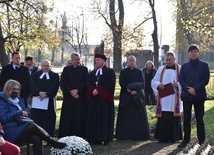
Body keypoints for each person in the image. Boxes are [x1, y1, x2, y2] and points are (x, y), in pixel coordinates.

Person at [0, 79, 66, 155]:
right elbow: (3, 118)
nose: (16, 91)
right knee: (32, 126)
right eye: (13, 89)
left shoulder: (19, 100)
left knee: (37, 138)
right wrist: (19, 112)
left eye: (18, 89)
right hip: (9, 129)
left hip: (20, 126)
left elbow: (23, 115)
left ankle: (50, 143)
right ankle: (52, 142)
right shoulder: (2, 101)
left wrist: (26, 114)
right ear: (7, 88)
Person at [178, 44, 210, 148]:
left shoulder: (204, 65)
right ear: (188, 53)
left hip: (199, 95)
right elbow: (181, 79)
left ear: (198, 52)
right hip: (187, 96)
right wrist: (188, 89)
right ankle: (186, 140)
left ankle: (202, 141)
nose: (193, 53)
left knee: (199, 119)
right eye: (191, 51)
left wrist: (195, 88)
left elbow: (205, 80)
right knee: (186, 119)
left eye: (195, 51)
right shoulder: (184, 66)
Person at [115, 55, 150, 140]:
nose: (131, 62)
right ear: (127, 62)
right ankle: (124, 135)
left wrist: (136, 91)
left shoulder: (139, 72)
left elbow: (142, 83)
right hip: (126, 96)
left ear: (135, 62)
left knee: (137, 117)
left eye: (133, 61)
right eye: (130, 60)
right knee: (126, 117)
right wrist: (129, 90)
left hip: (137, 97)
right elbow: (122, 82)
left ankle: (137, 135)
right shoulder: (123, 72)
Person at [151, 52, 183, 143]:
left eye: (170, 60)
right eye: (167, 60)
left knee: (173, 116)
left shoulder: (180, 69)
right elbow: (154, 81)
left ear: (174, 59)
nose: (168, 62)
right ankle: (163, 137)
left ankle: (174, 137)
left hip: (174, 97)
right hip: (164, 98)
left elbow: (184, 82)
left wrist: (178, 84)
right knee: (164, 115)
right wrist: (158, 84)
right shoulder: (161, 69)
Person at [85, 53, 115, 145]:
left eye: (98, 60)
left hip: (104, 100)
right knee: (94, 118)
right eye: (95, 60)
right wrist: (92, 90)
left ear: (104, 61)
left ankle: (105, 138)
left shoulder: (110, 72)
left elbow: (110, 84)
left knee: (104, 118)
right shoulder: (93, 73)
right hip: (94, 100)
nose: (96, 62)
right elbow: (88, 83)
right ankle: (94, 138)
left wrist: (98, 90)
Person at [58, 52, 88, 138]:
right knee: (68, 117)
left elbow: (85, 82)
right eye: (76, 60)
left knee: (79, 117)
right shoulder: (66, 69)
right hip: (69, 97)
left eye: (79, 59)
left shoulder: (84, 69)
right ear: (72, 60)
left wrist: (77, 90)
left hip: (80, 97)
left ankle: (79, 135)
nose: (78, 61)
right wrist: (71, 91)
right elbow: (64, 82)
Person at [30, 60, 59, 137]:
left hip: (49, 101)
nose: (46, 67)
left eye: (47, 66)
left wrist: (46, 94)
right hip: (37, 101)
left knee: (49, 119)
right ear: (41, 66)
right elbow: (32, 84)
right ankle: (36, 136)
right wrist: (39, 92)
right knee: (37, 118)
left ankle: (48, 137)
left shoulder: (54, 75)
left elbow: (54, 86)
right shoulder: (35, 75)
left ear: (50, 66)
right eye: (44, 66)